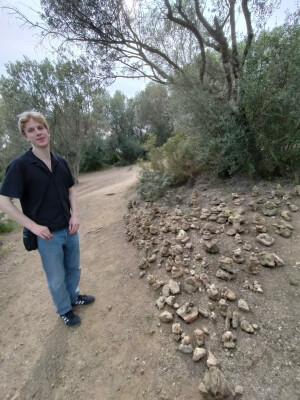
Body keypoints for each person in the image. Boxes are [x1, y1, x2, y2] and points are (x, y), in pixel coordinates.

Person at [0, 111, 95, 327]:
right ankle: (64, 309)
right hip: (47, 235)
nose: (38, 133)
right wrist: (33, 226)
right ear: (26, 137)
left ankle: (74, 297)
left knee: (73, 268)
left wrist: (75, 215)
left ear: (48, 130)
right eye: (31, 130)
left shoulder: (60, 161)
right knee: (56, 277)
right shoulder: (20, 165)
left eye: (40, 128)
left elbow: (71, 189)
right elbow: (3, 201)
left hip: (69, 229)